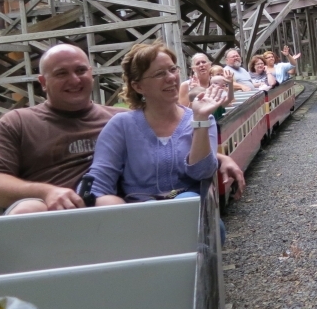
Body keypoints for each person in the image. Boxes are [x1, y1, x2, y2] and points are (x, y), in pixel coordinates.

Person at [0, 44, 244, 216]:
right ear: (43, 82)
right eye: (61, 73)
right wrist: (46, 192)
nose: (74, 79)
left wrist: (219, 156)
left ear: (91, 74)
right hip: (47, 211)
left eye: (81, 70)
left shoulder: (120, 119)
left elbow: (162, 139)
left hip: (101, 212)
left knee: (116, 208)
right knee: (30, 210)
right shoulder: (18, 122)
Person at [86, 42, 225, 206]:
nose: (171, 77)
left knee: (185, 201)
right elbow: (98, 183)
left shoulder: (201, 118)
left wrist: (200, 119)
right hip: (140, 218)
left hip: (191, 216)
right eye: (159, 74)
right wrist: (119, 209)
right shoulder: (121, 126)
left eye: (173, 69)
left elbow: (203, 172)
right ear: (138, 86)